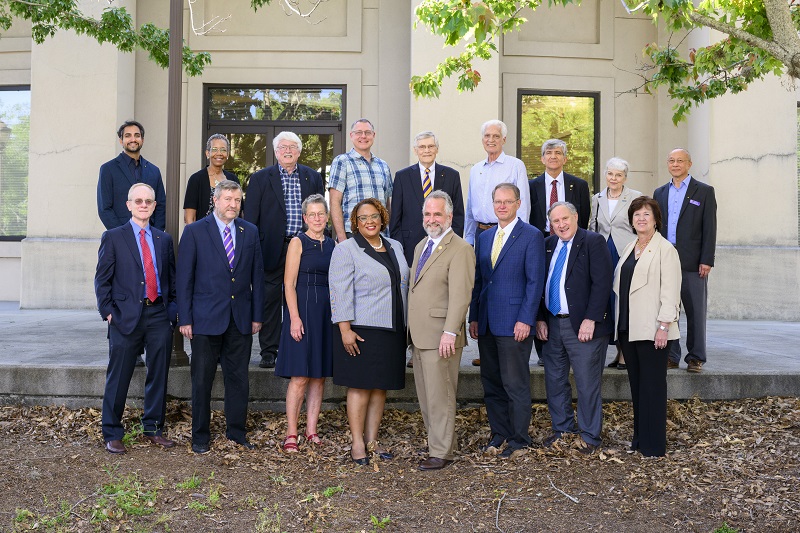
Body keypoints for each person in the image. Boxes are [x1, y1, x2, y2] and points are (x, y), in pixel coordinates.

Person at [177, 180, 265, 454]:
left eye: (237, 200)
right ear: (215, 200)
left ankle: (236, 432)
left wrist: (257, 315)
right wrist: (185, 318)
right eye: (227, 199)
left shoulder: (249, 231)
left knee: (238, 378)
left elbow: (257, 278)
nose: (232, 204)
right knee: (201, 379)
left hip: (240, 318)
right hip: (204, 319)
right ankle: (200, 436)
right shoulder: (194, 232)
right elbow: (184, 279)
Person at [94, 183, 177, 454]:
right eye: (138, 200)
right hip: (125, 316)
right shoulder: (114, 237)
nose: (143, 205)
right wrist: (108, 312)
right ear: (128, 204)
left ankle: (153, 427)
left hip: (158, 314)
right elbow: (102, 280)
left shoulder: (163, 239)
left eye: (148, 201)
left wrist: (171, 313)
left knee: (158, 374)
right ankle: (112, 431)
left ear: (154, 206)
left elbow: (172, 280)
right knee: (118, 375)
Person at [329, 198, 409, 465]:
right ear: (356, 222)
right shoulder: (346, 249)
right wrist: (344, 330)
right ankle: (357, 444)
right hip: (362, 328)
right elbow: (339, 291)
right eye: (363, 218)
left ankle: (373, 442)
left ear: (382, 217)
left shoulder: (395, 246)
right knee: (361, 387)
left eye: (374, 216)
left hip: (392, 327)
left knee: (380, 388)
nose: (370, 221)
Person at [469, 183, 544, 459]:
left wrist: (527, 319)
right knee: (492, 383)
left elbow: (535, 282)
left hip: (515, 324)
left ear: (518, 203)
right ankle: (499, 432)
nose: (502, 206)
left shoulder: (531, 235)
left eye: (507, 201)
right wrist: (474, 316)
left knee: (515, 383)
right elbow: (479, 280)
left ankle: (519, 439)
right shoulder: (486, 238)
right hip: (487, 322)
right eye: (497, 201)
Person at [536, 202, 613, 454]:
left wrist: (591, 319)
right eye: (555, 221)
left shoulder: (593, 242)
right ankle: (563, 430)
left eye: (565, 219)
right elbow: (538, 284)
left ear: (576, 216)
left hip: (582, 325)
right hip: (552, 323)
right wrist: (539, 319)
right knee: (555, 380)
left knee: (587, 382)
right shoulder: (548, 245)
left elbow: (602, 283)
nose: (561, 224)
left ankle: (590, 436)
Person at [244, 131, 324, 369]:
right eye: (283, 147)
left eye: (292, 147)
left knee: (301, 295)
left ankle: (298, 345)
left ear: (299, 151)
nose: (287, 151)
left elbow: (319, 212)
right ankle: (269, 350)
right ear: (276, 152)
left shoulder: (312, 177)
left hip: (303, 245)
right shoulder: (260, 178)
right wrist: (253, 249)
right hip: (271, 247)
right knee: (269, 298)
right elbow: (251, 219)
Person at [408, 191, 475, 471]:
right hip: (420, 335)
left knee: (441, 396)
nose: (431, 219)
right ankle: (442, 443)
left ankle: (441, 452)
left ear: (449, 216)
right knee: (427, 396)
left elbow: (461, 296)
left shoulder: (460, 248)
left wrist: (450, 332)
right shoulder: (421, 245)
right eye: (427, 214)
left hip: (441, 336)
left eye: (437, 214)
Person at [614, 196, 681, 457]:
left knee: (653, 388)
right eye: (637, 215)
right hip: (630, 328)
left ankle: (654, 445)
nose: (641, 219)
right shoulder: (630, 246)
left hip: (654, 330)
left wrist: (664, 326)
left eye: (646, 214)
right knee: (638, 387)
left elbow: (671, 291)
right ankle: (640, 439)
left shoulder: (666, 249)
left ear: (656, 219)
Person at [464, 119, 531, 366]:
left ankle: (505, 342)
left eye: (496, 136)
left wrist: (519, 238)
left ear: (504, 139)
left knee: (505, 285)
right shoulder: (475, 169)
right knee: (483, 285)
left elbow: (523, 205)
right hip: (482, 235)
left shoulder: (515, 165)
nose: (491, 140)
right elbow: (471, 208)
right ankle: (486, 346)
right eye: (487, 136)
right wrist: (468, 240)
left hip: (507, 232)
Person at [275, 194, 335, 453]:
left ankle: (311, 430)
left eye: (321, 214)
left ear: (327, 216)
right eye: (312, 215)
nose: (317, 218)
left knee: (318, 376)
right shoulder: (298, 242)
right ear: (304, 218)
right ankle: (291, 432)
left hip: (325, 314)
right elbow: (288, 283)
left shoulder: (334, 245)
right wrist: (294, 318)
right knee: (300, 376)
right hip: (301, 311)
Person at [653, 149, 717, 373]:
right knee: (668, 310)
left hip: (693, 262)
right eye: (671, 160)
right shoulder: (659, 192)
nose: (675, 164)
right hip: (665, 261)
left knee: (695, 312)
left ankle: (696, 357)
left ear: (689, 164)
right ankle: (671, 355)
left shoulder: (704, 191)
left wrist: (706, 259)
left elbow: (710, 228)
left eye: (680, 161)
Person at [588, 157, 642, 370]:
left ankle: (624, 352)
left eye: (618, 175)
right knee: (607, 300)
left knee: (623, 300)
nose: (613, 178)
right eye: (610, 174)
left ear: (625, 178)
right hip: (602, 252)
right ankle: (614, 349)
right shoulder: (597, 198)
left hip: (625, 252)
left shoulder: (635, 197)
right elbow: (592, 225)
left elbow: (639, 226)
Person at [390, 131, 465, 266]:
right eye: (422, 147)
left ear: (437, 149)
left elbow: (458, 215)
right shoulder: (402, 177)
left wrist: (453, 244)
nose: (427, 151)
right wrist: (399, 247)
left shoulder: (451, 176)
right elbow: (395, 218)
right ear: (415, 150)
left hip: (444, 245)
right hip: (409, 248)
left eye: (430, 146)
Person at [328, 119, 392, 243]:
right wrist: (342, 239)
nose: (363, 136)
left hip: (381, 236)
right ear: (351, 136)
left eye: (368, 132)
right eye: (358, 132)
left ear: (373, 135)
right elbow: (334, 202)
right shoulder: (342, 161)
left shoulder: (383, 165)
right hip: (353, 234)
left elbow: (387, 204)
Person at [98, 120, 166, 231]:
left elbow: (160, 206)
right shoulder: (108, 169)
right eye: (128, 136)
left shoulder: (154, 171)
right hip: (120, 237)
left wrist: (155, 234)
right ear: (121, 141)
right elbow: (104, 209)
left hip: (149, 236)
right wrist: (124, 235)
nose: (133, 139)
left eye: (137, 135)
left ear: (142, 140)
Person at [528, 139, 590, 235]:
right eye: (549, 153)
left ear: (565, 159)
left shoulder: (579, 186)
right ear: (542, 159)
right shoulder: (531, 187)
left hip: (571, 239)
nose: (553, 157)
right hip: (539, 240)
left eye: (558, 153)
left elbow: (584, 217)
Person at [183, 134, 239, 224]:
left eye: (223, 150)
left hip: (228, 234)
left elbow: (238, 212)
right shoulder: (196, 179)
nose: (219, 153)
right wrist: (195, 237)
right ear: (207, 153)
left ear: (227, 154)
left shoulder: (233, 179)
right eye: (214, 149)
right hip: (203, 234)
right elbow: (189, 217)